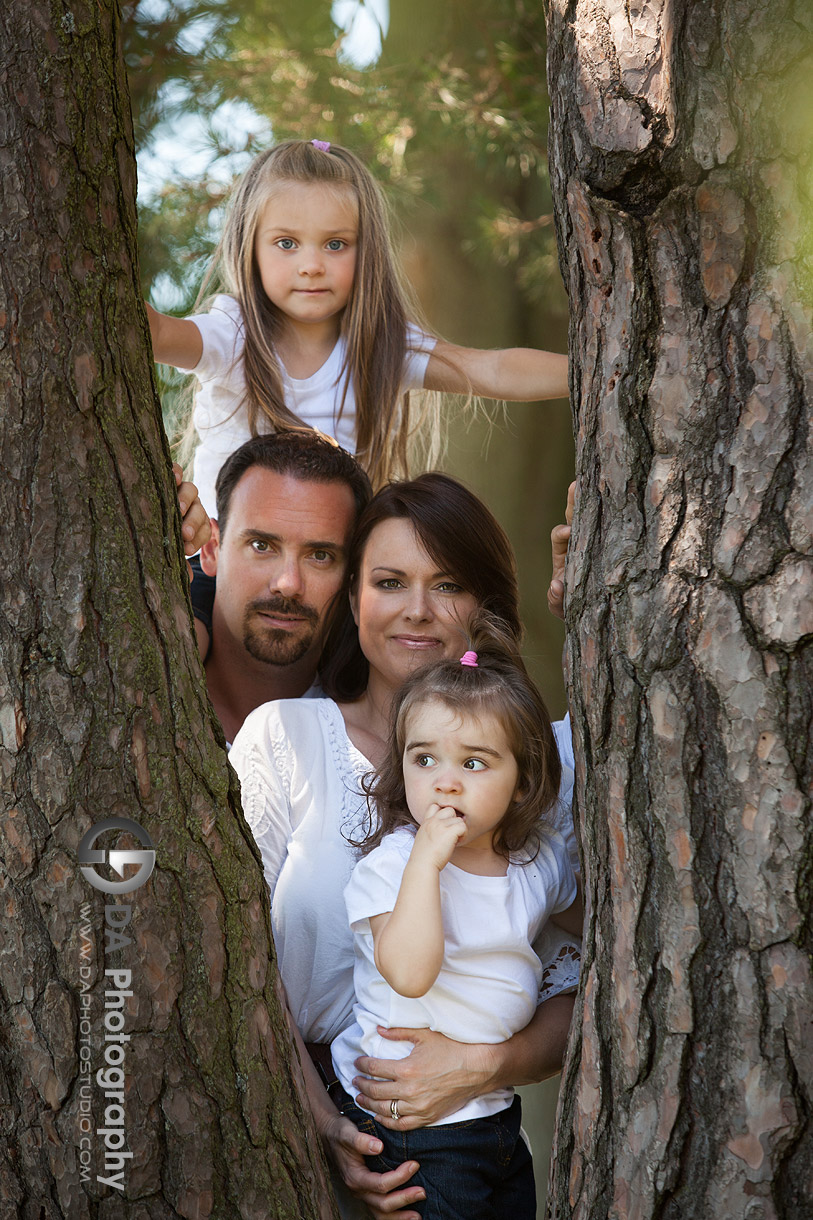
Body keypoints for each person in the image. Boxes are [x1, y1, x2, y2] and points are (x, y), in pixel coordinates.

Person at [229, 473, 581, 1220]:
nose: (416, 609)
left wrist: (479, 1066)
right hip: (299, 1122)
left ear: (485, 605)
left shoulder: (543, 765)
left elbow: (601, 967)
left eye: (447, 584)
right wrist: (317, 1123)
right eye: (389, 581)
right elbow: (236, 964)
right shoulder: (286, 737)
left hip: (477, 1125)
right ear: (353, 598)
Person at [146, 138, 569, 516]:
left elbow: (489, 369)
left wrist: (594, 372)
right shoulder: (232, 333)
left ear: (366, 251)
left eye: (335, 244)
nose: (312, 266)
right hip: (221, 561)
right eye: (286, 244)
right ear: (249, 247)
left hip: (328, 562)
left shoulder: (378, 344)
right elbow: (158, 334)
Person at [331, 628, 583, 1218]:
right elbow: (410, 975)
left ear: (521, 782)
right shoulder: (394, 865)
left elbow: (594, 922)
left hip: (493, 1114)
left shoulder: (533, 862)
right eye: (425, 759)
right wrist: (427, 861)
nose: (445, 781)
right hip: (416, 1131)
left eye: (473, 763)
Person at [192, 431, 371, 742]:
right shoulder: (146, 698)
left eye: (320, 556)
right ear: (211, 550)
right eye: (261, 545)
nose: (288, 584)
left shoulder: (370, 738)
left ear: (352, 577)